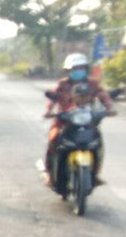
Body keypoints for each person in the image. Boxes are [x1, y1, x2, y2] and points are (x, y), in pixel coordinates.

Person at [44, 53, 116, 187]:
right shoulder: (63, 84)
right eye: (75, 68)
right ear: (68, 70)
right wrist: (49, 111)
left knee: (97, 142)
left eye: (81, 68)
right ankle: (49, 174)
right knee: (53, 140)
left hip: (87, 120)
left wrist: (109, 108)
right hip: (64, 121)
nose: (78, 71)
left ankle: (95, 173)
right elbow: (53, 98)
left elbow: (103, 95)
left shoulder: (92, 83)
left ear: (86, 69)